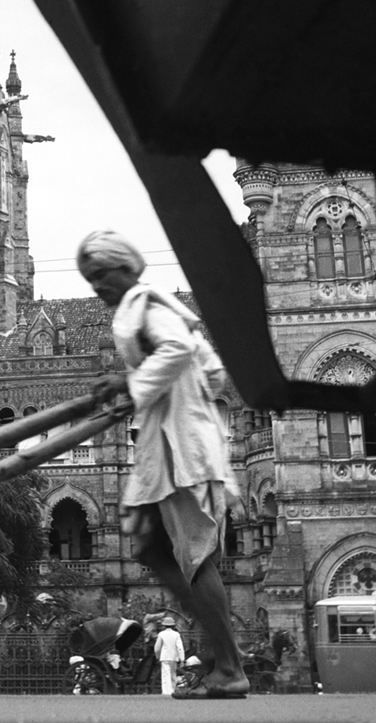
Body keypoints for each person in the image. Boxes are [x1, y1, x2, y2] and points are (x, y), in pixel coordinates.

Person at [78, 230, 250, 700]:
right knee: (151, 547)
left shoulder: (146, 305)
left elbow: (174, 353)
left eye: (100, 275)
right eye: (90, 280)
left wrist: (133, 386)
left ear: (126, 268)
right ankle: (218, 653)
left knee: (192, 556)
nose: (97, 287)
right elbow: (211, 371)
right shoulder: (165, 310)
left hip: (181, 448)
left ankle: (229, 667)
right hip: (175, 442)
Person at [154, 616, 186, 695]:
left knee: (165, 674)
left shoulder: (161, 634)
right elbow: (180, 647)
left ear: (164, 625)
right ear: (173, 625)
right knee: (173, 674)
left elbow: (157, 647)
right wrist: (182, 659)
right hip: (174, 657)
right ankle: (173, 690)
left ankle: (166, 691)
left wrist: (157, 655)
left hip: (165, 657)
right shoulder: (176, 634)